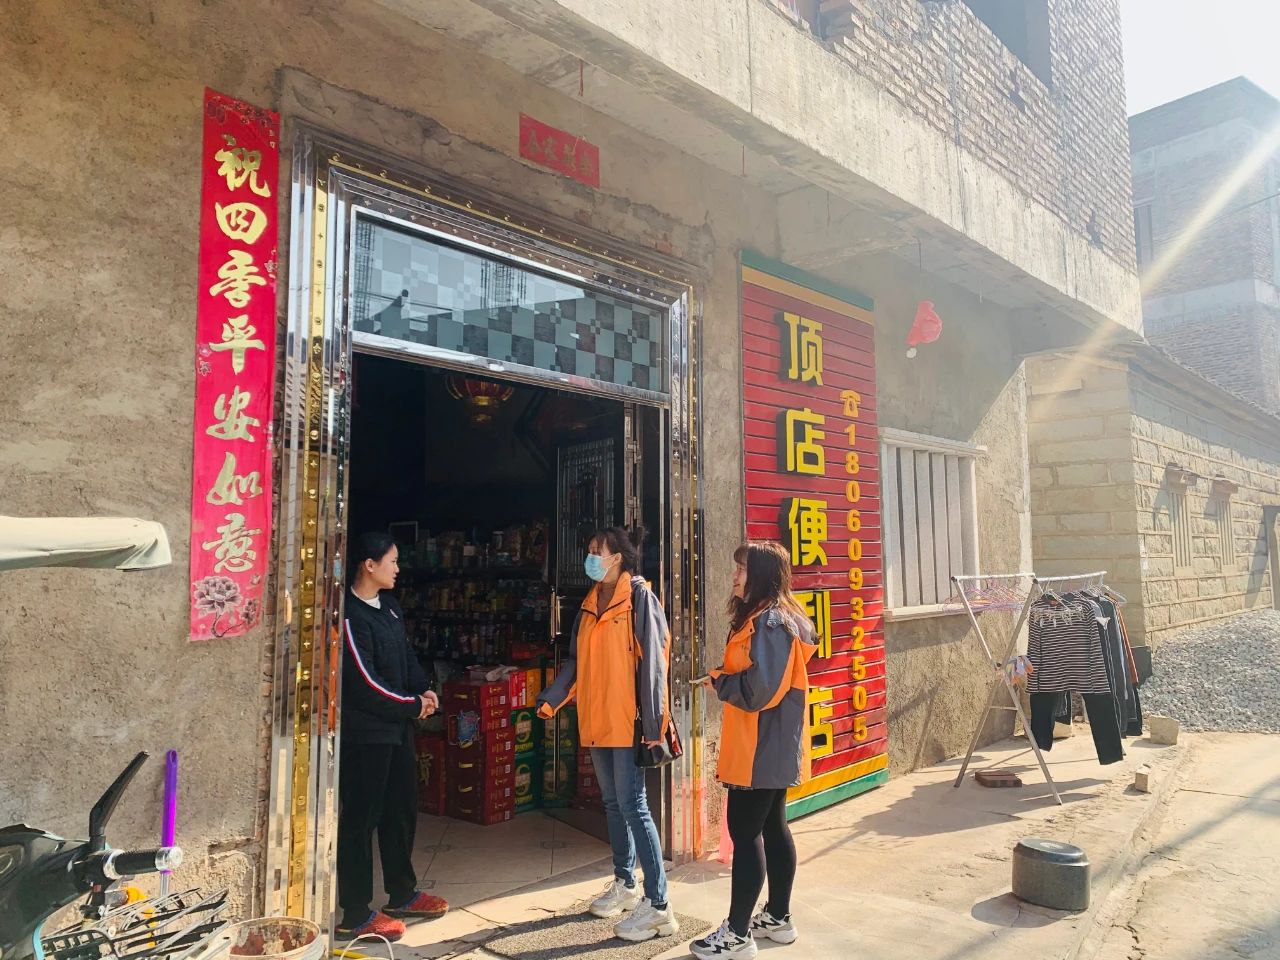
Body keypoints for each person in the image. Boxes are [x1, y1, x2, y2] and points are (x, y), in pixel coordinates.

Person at [536, 526, 680, 943]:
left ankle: (659, 906)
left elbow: (655, 662)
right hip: (596, 718)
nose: (590, 557)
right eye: (589, 550)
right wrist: (553, 698)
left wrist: (654, 724)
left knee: (634, 805)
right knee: (613, 804)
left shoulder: (639, 598)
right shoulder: (588, 604)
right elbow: (576, 661)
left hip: (628, 720)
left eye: (596, 551)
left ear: (618, 557)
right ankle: (625, 882)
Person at [690, 541, 817, 959]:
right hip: (770, 744)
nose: (735, 576)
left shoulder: (770, 623)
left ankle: (737, 934)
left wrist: (721, 682)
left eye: (742, 569)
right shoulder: (775, 618)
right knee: (773, 828)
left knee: (745, 834)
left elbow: (760, 690)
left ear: (761, 574)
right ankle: (778, 917)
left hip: (758, 746)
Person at [335, 532, 448, 942]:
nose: (398, 568)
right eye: (393, 561)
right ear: (369, 565)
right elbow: (365, 683)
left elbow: (407, 657)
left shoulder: (390, 608)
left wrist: (425, 691)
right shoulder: (350, 615)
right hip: (367, 734)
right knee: (360, 820)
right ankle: (355, 913)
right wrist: (412, 704)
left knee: (400, 810)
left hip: (398, 729)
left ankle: (403, 893)